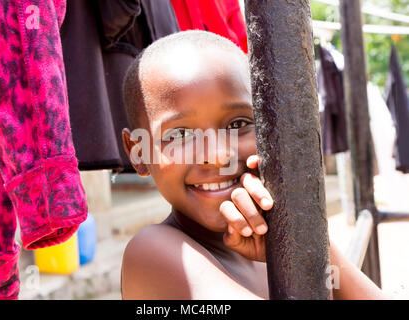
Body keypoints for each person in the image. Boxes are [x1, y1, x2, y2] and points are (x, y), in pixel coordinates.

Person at [119, 30, 389, 300]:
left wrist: (305, 239)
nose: (218, 156)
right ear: (138, 152)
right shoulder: (153, 253)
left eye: (237, 124)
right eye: (179, 135)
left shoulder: (271, 243)